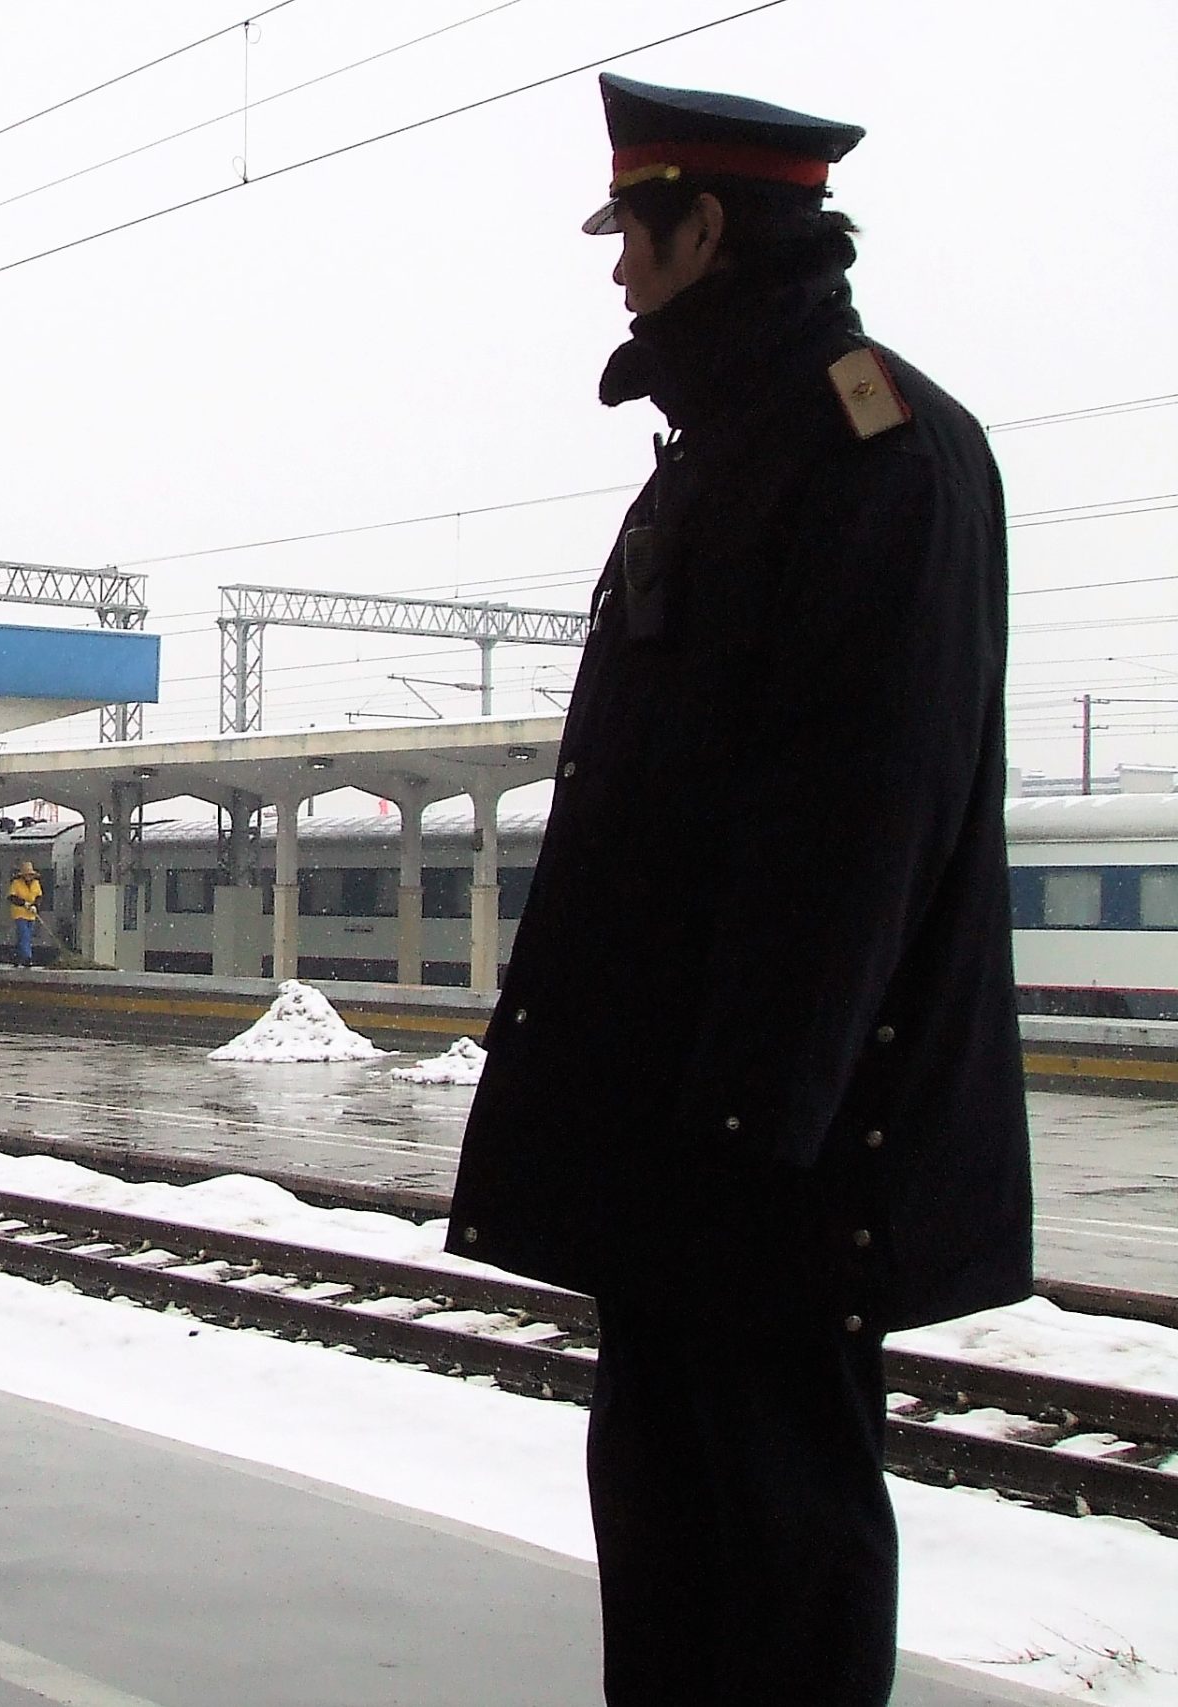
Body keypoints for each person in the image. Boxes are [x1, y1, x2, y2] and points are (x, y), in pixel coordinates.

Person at [444, 76, 1031, 1706]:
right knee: (672, 1528)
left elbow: (859, 823)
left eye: (635, 229)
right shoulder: (729, 450)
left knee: (780, 1552)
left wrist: (750, 1137)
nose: (616, 266)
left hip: (775, 1158)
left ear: (714, 226)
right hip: (684, 1143)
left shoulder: (879, 456)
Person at [6, 861, 44, 966]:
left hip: (31, 915)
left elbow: (39, 897)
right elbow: (11, 897)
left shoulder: (36, 883)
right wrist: (23, 903)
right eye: (27, 874)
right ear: (23, 875)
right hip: (19, 914)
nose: (28, 876)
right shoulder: (16, 883)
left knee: (24, 937)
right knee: (25, 935)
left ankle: (17, 957)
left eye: (30, 874)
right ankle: (28, 958)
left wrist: (35, 906)